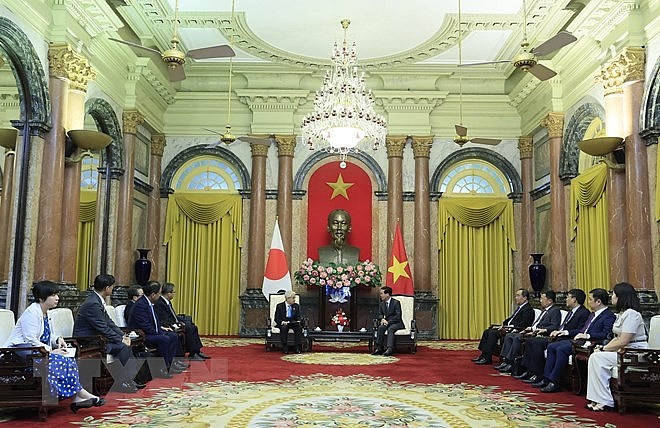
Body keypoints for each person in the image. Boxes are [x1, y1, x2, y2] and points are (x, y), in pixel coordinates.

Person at [3, 281, 105, 413]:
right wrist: (52, 351)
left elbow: (46, 334)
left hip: (39, 353)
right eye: (53, 295)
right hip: (22, 354)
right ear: (41, 298)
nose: (57, 298)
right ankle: (81, 394)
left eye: (57, 294)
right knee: (60, 360)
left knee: (68, 359)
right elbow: (30, 340)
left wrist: (57, 339)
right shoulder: (31, 313)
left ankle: (77, 397)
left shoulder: (45, 312)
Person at [531, 288, 615, 392]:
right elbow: (581, 330)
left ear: (598, 302)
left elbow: (606, 334)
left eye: (590, 299)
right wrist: (567, 332)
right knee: (552, 346)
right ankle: (546, 378)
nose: (588, 302)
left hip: (590, 342)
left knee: (561, 349)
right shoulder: (593, 314)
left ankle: (555, 382)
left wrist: (588, 335)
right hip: (579, 340)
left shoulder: (608, 315)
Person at [73, 274, 146, 393]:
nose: (112, 289)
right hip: (88, 341)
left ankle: (129, 380)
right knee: (122, 346)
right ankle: (123, 382)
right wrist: (120, 339)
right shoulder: (93, 303)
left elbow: (109, 322)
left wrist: (123, 335)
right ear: (107, 288)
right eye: (112, 287)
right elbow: (103, 328)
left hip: (97, 338)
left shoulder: (97, 300)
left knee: (126, 344)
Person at [586, 282, 648, 411]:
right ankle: (597, 399)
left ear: (621, 296)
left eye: (613, 294)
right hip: (624, 351)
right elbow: (616, 338)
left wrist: (604, 349)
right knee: (595, 356)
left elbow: (623, 340)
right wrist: (602, 349)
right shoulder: (622, 314)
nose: (611, 297)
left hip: (635, 352)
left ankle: (605, 401)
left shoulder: (632, 314)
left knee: (597, 358)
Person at [514, 288, 590, 383]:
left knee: (537, 343)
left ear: (574, 299)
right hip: (557, 336)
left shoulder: (584, 313)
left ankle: (539, 374)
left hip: (567, 338)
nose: (566, 299)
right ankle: (530, 371)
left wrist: (564, 332)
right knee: (531, 341)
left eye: (568, 297)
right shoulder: (571, 311)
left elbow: (580, 330)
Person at [128, 281, 188, 377]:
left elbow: (154, 321)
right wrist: (160, 333)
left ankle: (171, 364)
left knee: (173, 335)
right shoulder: (141, 305)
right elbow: (145, 325)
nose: (160, 296)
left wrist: (161, 329)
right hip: (143, 335)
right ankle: (162, 369)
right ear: (153, 295)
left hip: (151, 331)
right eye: (159, 293)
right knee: (164, 339)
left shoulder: (149, 302)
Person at [495, 290, 562, 373]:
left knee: (517, 337)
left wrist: (539, 330)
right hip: (532, 331)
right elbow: (537, 324)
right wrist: (530, 328)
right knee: (510, 335)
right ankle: (506, 361)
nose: (540, 301)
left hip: (541, 334)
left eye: (542, 298)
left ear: (550, 301)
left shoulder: (555, 310)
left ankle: (512, 363)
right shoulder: (545, 310)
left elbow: (554, 326)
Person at [472, 288, 535, 365]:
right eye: (516, 296)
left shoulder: (528, 309)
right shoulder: (520, 307)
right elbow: (511, 319)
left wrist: (509, 326)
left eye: (518, 296)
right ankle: (484, 355)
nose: (516, 298)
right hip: (508, 327)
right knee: (487, 331)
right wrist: (504, 325)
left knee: (492, 333)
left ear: (525, 298)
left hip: (514, 329)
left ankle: (487, 357)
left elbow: (525, 323)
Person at [154, 282, 209, 361]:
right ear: (169, 293)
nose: (174, 294)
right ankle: (193, 353)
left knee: (193, 327)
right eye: (174, 292)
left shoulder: (167, 301)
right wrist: (177, 324)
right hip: (168, 325)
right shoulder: (160, 303)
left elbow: (173, 316)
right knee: (189, 329)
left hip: (174, 323)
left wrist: (179, 321)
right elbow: (164, 319)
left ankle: (197, 351)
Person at [372, 286, 404, 356]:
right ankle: (379, 348)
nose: (380, 295)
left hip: (397, 323)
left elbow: (398, 316)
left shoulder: (396, 303)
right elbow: (380, 314)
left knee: (390, 329)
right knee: (380, 328)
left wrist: (389, 322)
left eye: (381, 293)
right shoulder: (382, 304)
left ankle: (390, 348)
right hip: (387, 322)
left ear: (387, 294)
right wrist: (382, 319)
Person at [274, 290, 303, 354]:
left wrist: (298, 320)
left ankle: (297, 347)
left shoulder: (296, 306)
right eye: (293, 298)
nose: (294, 300)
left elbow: (298, 316)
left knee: (299, 327)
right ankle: (285, 346)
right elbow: (277, 318)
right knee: (284, 327)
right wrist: (282, 322)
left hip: (293, 322)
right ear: (288, 298)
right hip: (284, 323)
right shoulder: (280, 306)